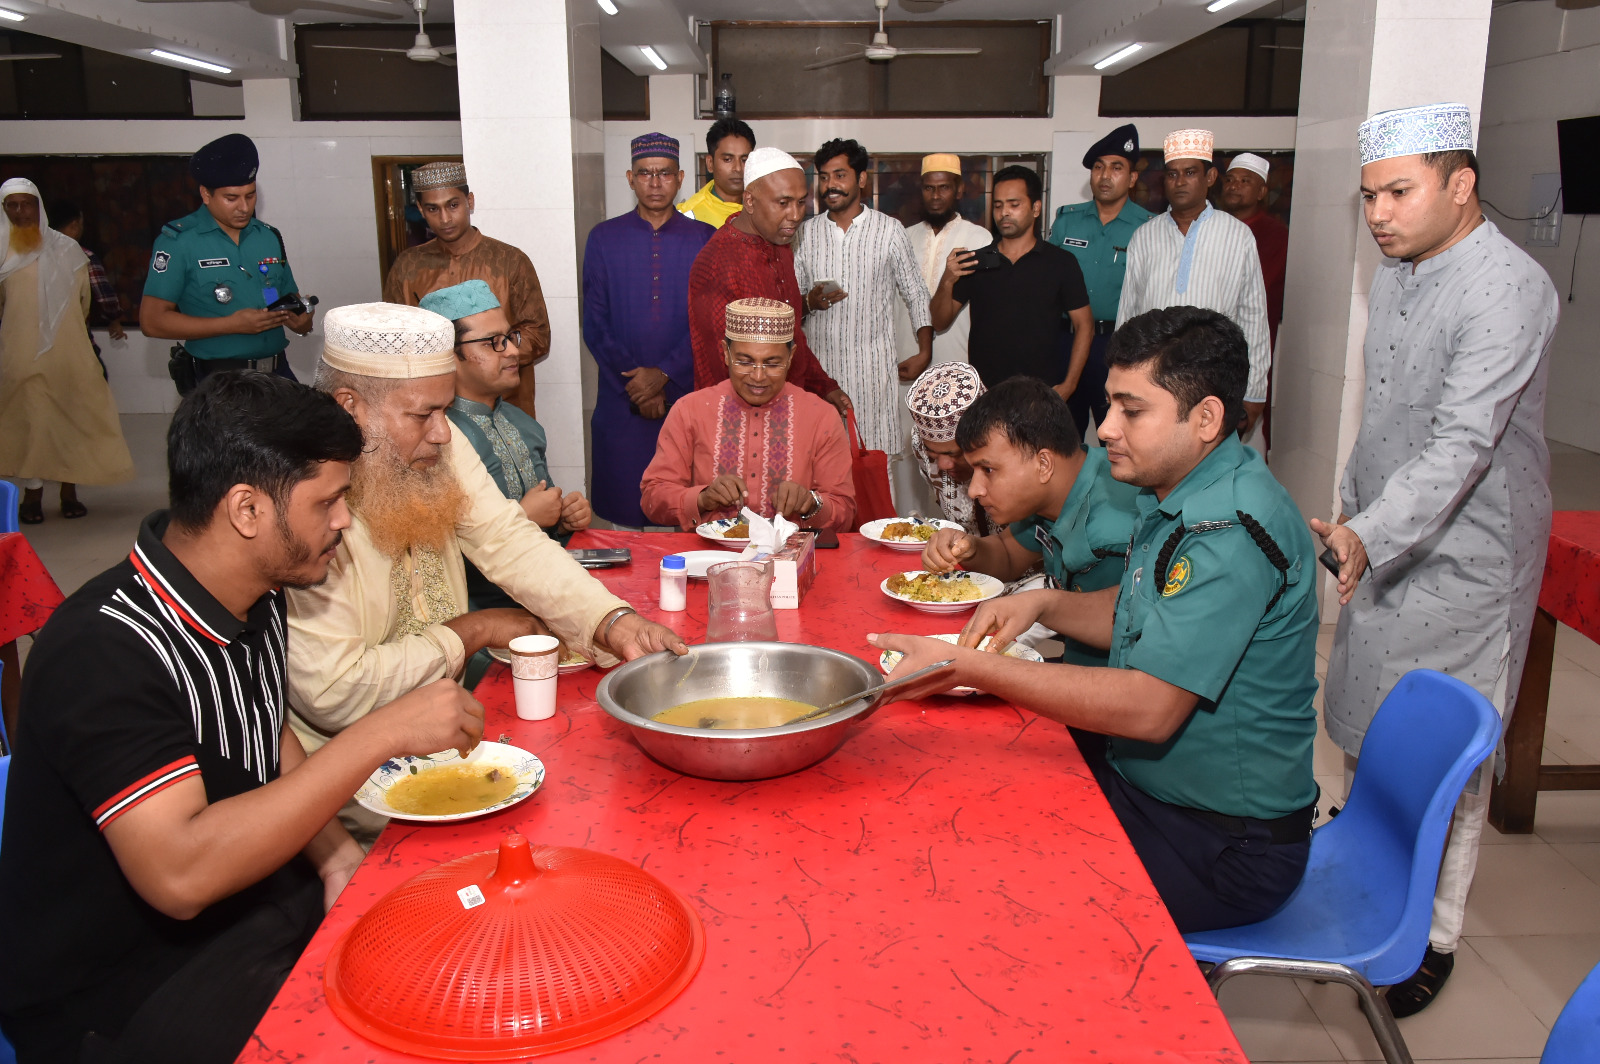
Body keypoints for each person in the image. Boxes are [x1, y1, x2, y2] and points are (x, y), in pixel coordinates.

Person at [0, 370, 488, 1062]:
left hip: (254, 908)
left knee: (465, 937)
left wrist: (337, 855)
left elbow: (263, 730)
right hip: (122, 993)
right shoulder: (103, 651)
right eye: (329, 502)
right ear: (247, 510)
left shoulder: (251, 593)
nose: (345, 522)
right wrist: (383, 732)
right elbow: (181, 878)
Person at [872, 307, 1320, 933]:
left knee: (990, 888)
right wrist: (1044, 602)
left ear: (1207, 418)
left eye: (1131, 411)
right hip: (1153, 795)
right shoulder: (1182, 494)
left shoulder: (1227, 530)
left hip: (1222, 844)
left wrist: (968, 667)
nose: (1104, 428)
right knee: (969, 801)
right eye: (1109, 406)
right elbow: (1139, 613)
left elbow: (1148, 707)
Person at [1314, 103, 1560, 1017]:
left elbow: (1461, 445)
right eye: (1370, 195)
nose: (1378, 213)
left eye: (1398, 192)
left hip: (1470, 554)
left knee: (1449, 757)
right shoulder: (1404, 272)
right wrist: (1354, 512)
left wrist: (1369, 530)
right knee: (1367, 711)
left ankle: (1434, 935)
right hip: (1386, 535)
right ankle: (1366, 871)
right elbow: (1381, 417)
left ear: (1461, 186)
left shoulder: (1506, 286)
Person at [288, 302, 685, 836]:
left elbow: (508, 538)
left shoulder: (432, 446)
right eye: (421, 415)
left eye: (446, 411)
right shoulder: (302, 500)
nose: (444, 435)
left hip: (450, 746)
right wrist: (473, 630)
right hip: (351, 798)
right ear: (349, 407)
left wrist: (612, 622)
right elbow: (335, 693)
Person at [919, 377, 1140, 666]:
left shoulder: (1109, 532)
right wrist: (970, 548)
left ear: (1043, 464)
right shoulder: (1061, 484)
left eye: (988, 469)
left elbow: (1123, 629)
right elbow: (1009, 554)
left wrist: (1041, 606)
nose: (974, 490)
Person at [422, 279, 589, 623]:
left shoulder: (522, 423)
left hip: (543, 593)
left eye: (509, 337)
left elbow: (547, 521)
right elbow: (432, 556)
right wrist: (523, 518)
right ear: (448, 356)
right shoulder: (432, 437)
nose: (513, 350)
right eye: (493, 343)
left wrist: (565, 517)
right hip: (478, 614)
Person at [582, 133, 714, 528]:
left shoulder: (705, 238)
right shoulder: (603, 237)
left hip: (684, 398)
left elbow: (706, 321)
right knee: (625, 518)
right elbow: (595, 322)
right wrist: (636, 384)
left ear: (680, 177)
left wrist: (665, 375)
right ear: (630, 177)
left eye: (664, 174)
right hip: (622, 401)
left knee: (686, 511)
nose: (654, 183)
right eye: (645, 174)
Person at [641, 297, 855, 532]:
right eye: (745, 361)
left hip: (791, 563)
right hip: (707, 561)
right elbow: (653, 498)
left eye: (772, 364)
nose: (758, 376)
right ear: (725, 353)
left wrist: (810, 503)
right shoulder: (689, 410)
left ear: (791, 357)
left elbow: (844, 511)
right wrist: (702, 498)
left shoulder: (821, 416)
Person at [1117, 130, 1271, 437]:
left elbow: (1254, 315)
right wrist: (1120, 378)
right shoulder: (1144, 236)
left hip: (1214, 377)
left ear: (1210, 177)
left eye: (1190, 173)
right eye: (1172, 174)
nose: (1180, 181)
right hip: (1153, 377)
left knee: (1208, 465)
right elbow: (1128, 314)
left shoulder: (1237, 236)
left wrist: (1253, 393)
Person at [0, 177, 135, 524]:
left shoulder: (67, 249)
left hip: (68, 352)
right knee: (30, 421)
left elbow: (83, 303)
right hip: (18, 353)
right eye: (10, 205)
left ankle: (69, 491)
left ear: (37, 205)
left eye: (25, 204)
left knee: (71, 416)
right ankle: (32, 495)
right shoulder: (1, 249)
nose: (19, 211)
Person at [794, 138, 932, 472]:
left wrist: (925, 351)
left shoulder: (888, 230)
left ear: (861, 179)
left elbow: (915, 293)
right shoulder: (804, 234)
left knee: (875, 472)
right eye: (824, 177)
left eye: (839, 175)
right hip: (819, 377)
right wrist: (808, 302)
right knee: (820, 470)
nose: (830, 185)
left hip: (873, 375)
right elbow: (790, 304)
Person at [139, 134, 315, 391]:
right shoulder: (179, 242)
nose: (244, 207)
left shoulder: (267, 236)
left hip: (277, 373)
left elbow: (291, 302)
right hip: (221, 380)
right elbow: (152, 321)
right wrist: (232, 324)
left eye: (250, 195)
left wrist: (302, 321)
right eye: (231, 198)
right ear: (206, 194)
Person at [686, 147, 852, 417]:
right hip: (735, 422)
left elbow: (791, 337)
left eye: (801, 202)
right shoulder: (717, 262)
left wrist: (824, 386)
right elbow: (723, 366)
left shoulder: (780, 246)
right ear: (750, 201)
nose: (796, 214)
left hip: (785, 413)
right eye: (783, 203)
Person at [383, 161, 550, 420]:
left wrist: (486, 356)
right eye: (432, 209)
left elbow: (538, 336)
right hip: (436, 409)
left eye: (453, 205)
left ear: (469, 201)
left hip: (504, 406)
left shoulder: (510, 261)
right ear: (420, 210)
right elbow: (393, 340)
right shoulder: (407, 267)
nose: (445, 218)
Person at [930, 165, 1093, 398]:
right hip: (986, 394)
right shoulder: (975, 262)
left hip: (1040, 394)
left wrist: (1069, 384)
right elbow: (938, 322)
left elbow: (1084, 325)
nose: (1004, 212)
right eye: (998, 205)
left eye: (1014, 205)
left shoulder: (1061, 263)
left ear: (1036, 208)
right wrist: (947, 280)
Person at [891, 154, 993, 513]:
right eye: (929, 188)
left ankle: (960, 530)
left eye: (944, 187)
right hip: (907, 361)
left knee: (956, 455)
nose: (936, 195)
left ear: (960, 190)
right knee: (907, 448)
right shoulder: (903, 237)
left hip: (958, 363)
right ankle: (908, 523)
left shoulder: (979, 238)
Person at [1047, 125, 1154, 437]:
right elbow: (1049, 282)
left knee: (1120, 437)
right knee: (1061, 437)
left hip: (1117, 347)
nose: (1105, 176)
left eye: (1116, 168)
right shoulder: (1067, 218)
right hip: (1065, 343)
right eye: (1098, 167)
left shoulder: (1147, 228)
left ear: (1132, 178)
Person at [905, 362, 994, 535]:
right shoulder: (919, 443)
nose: (943, 465)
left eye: (953, 453)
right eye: (934, 455)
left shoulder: (1013, 455)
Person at [52, 201, 127, 358]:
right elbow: (105, 296)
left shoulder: (35, 257)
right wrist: (114, 319)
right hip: (77, 341)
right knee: (95, 380)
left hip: (44, 346)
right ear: (74, 225)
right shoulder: (84, 257)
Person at [678, 117, 755, 229]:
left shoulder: (763, 209)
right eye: (728, 159)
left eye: (744, 160)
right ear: (710, 163)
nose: (738, 168)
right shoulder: (688, 217)